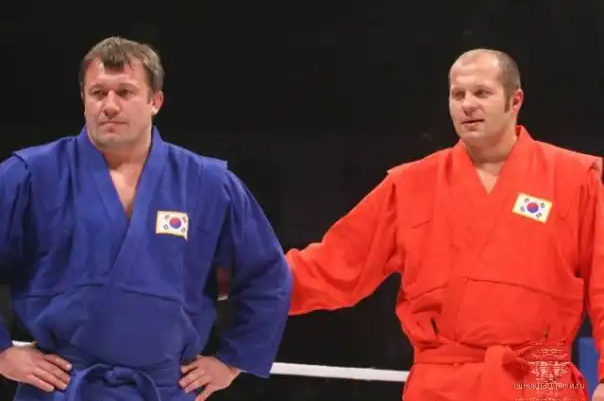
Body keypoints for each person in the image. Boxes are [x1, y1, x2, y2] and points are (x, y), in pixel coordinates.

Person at [284, 49, 604, 400]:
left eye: (481, 92)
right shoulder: (410, 184)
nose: (467, 104)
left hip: (540, 383)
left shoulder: (575, 178)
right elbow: (332, 265)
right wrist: (247, 283)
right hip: (441, 385)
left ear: (515, 101)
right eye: (458, 94)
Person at [0, 36, 293, 401]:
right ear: (84, 100)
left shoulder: (208, 183)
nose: (109, 105)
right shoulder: (30, 174)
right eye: (98, 93)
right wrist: (3, 353)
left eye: (125, 92)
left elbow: (268, 275)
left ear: (155, 101)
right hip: (61, 386)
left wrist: (232, 361)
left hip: (165, 388)